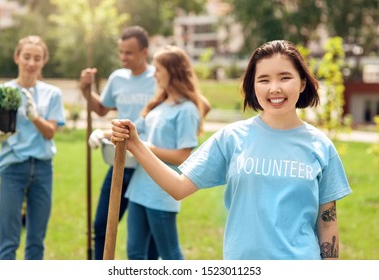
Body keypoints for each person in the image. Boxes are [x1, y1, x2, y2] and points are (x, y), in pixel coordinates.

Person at [111, 40, 352, 260]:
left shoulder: (320, 146)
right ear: (253, 86)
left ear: (302, 83)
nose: (274, 88)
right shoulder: (232, 138)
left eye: (285, 77)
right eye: (264, 79)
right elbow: (178, 187)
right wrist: (136, 145)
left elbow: (327, 222)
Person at [79, 26, 158, 260]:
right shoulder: (117, 78)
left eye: (129, 53)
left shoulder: (157, 78)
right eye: (121, 52)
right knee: (101, 224)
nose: (123, 57)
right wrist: (85, 89)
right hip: (120, 162)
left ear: (144, 52)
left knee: (147, 235)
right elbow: (102, 109)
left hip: (149, 166)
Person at [124, 45, 205, 260]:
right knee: (134, 253)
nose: (153, 74)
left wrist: (146, 148)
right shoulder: (159, 105)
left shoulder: (187, 110)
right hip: (139, 188)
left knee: (170, 256)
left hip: (161, 192)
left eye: (158, 69)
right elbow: (135, 131)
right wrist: (105, 134)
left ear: (173, 71)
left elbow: (184, 156)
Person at [0, 35, 66, 260]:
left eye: (37, 58)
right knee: (8, 240)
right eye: (27, 57)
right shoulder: (2, 92)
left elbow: (51, 132)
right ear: (17, 57)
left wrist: (34, 116)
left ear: (44, 61)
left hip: (42, 169)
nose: (31, 63)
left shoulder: (53, 93)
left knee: (35, 242)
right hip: (12, 167)